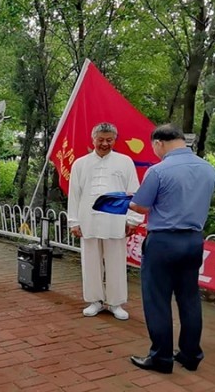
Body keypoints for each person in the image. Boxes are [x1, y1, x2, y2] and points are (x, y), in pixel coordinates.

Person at [128, 125, 215, 374]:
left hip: (163, 241)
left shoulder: (158, 171)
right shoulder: (209, 169)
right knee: (189, 298)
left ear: (159, 143)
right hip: (193, 241)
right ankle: (191, 355)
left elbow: (141, 207)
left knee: (157, 300)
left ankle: (161, 358)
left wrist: (130, 198)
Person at [67, 123, 143, 321]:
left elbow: (133, 192)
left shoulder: (125, 162)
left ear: (114, 140)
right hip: (88, 220)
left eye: (109, 140)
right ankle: (94, 301)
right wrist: (74, 222)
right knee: (90, 262)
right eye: (100, 139)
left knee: (116, 263)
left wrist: (133, 219)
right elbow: (74, 195)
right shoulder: (80, 164)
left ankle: (116, 303)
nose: (104, 143)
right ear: (93, 140)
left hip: (116, 220)